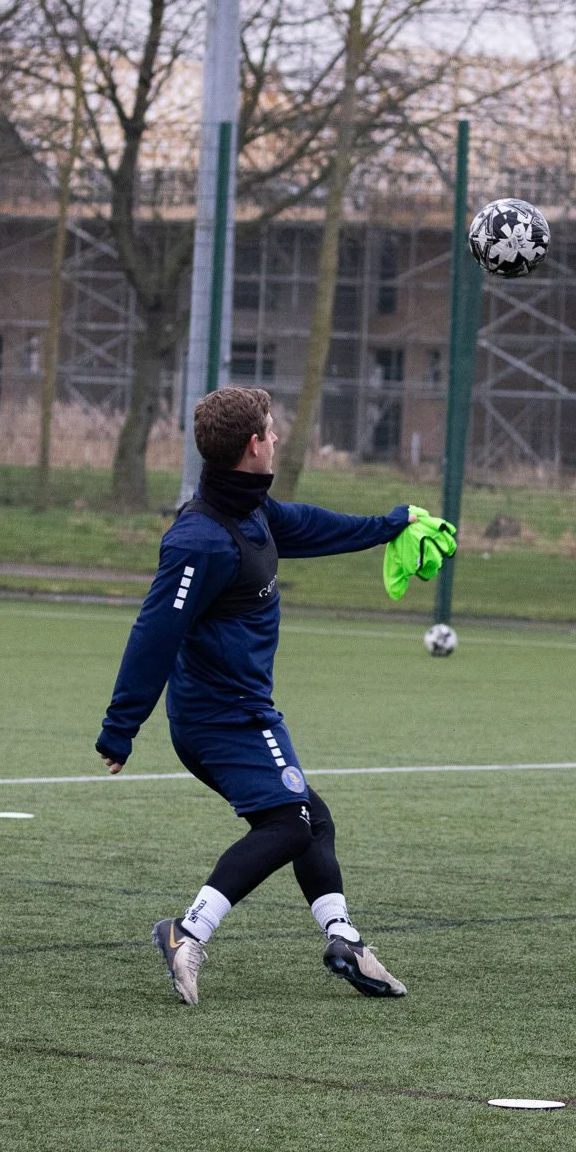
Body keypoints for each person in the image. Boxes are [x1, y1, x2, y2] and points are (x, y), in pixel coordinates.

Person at [96, 386, 434, 1004]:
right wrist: (121, 727)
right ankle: (186, 932)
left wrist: (391, 525)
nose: (277, 438)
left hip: (243, 713)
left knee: (311, 817)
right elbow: (154, 633)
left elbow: (307, 525)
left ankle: (345, 940)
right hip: (218, 719)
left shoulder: (253, 513)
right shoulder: (199, 540)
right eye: (273, 432)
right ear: (254, 446)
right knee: (291, 822)